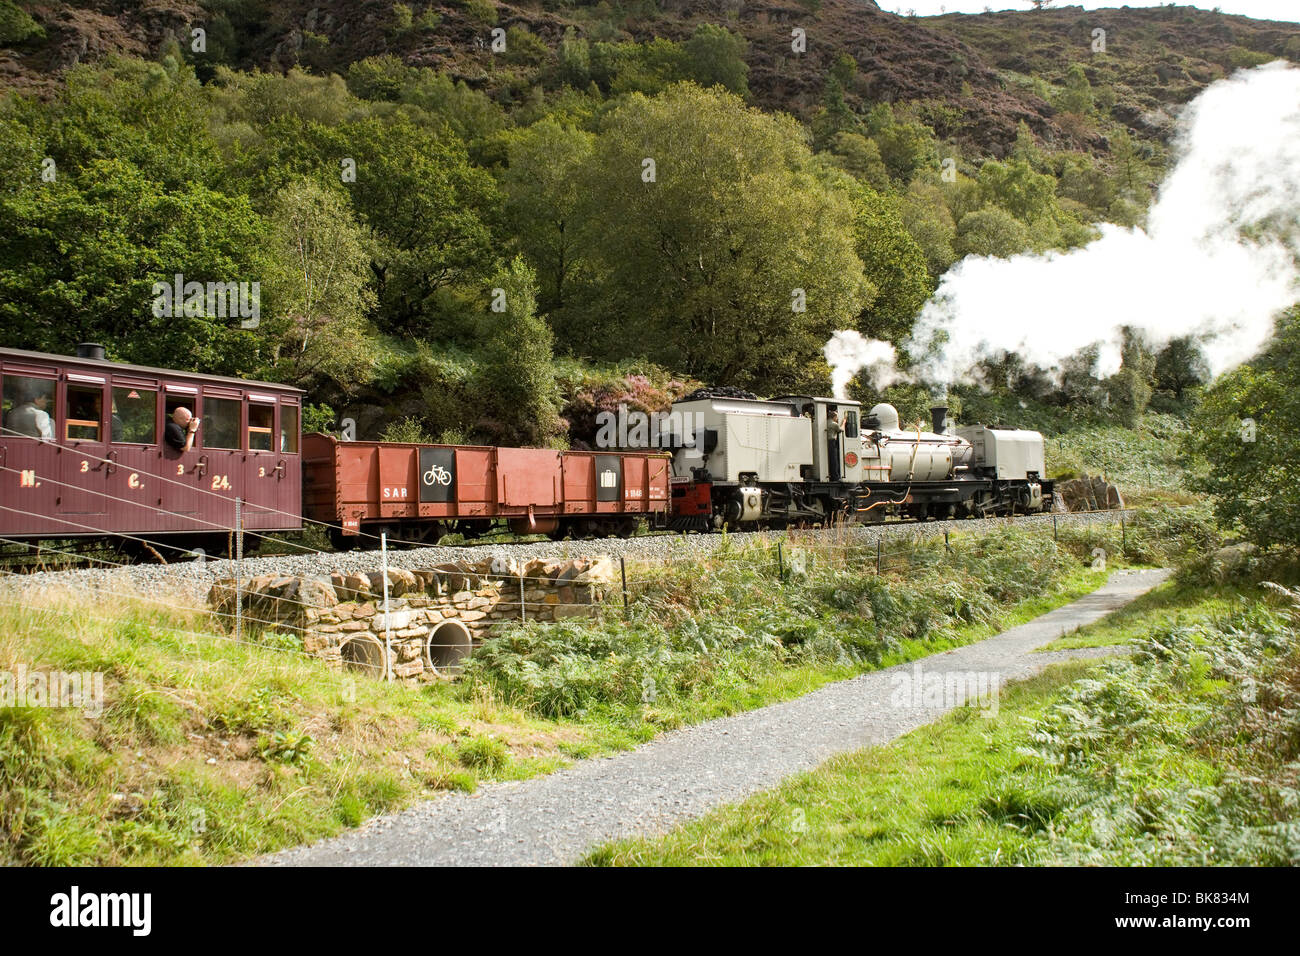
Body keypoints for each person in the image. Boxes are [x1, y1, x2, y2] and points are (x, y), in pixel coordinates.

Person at [826, 407, 843, 482]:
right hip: (832, 442)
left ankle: (833, 475)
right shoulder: (834, 424)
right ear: (834, 417)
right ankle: (836, 477)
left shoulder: (827, 422)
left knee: (831, 459)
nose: (837, 419)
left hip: (828, 442)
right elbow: (841, 429)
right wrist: (844, 421)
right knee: (834, 460)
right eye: (837, 417)